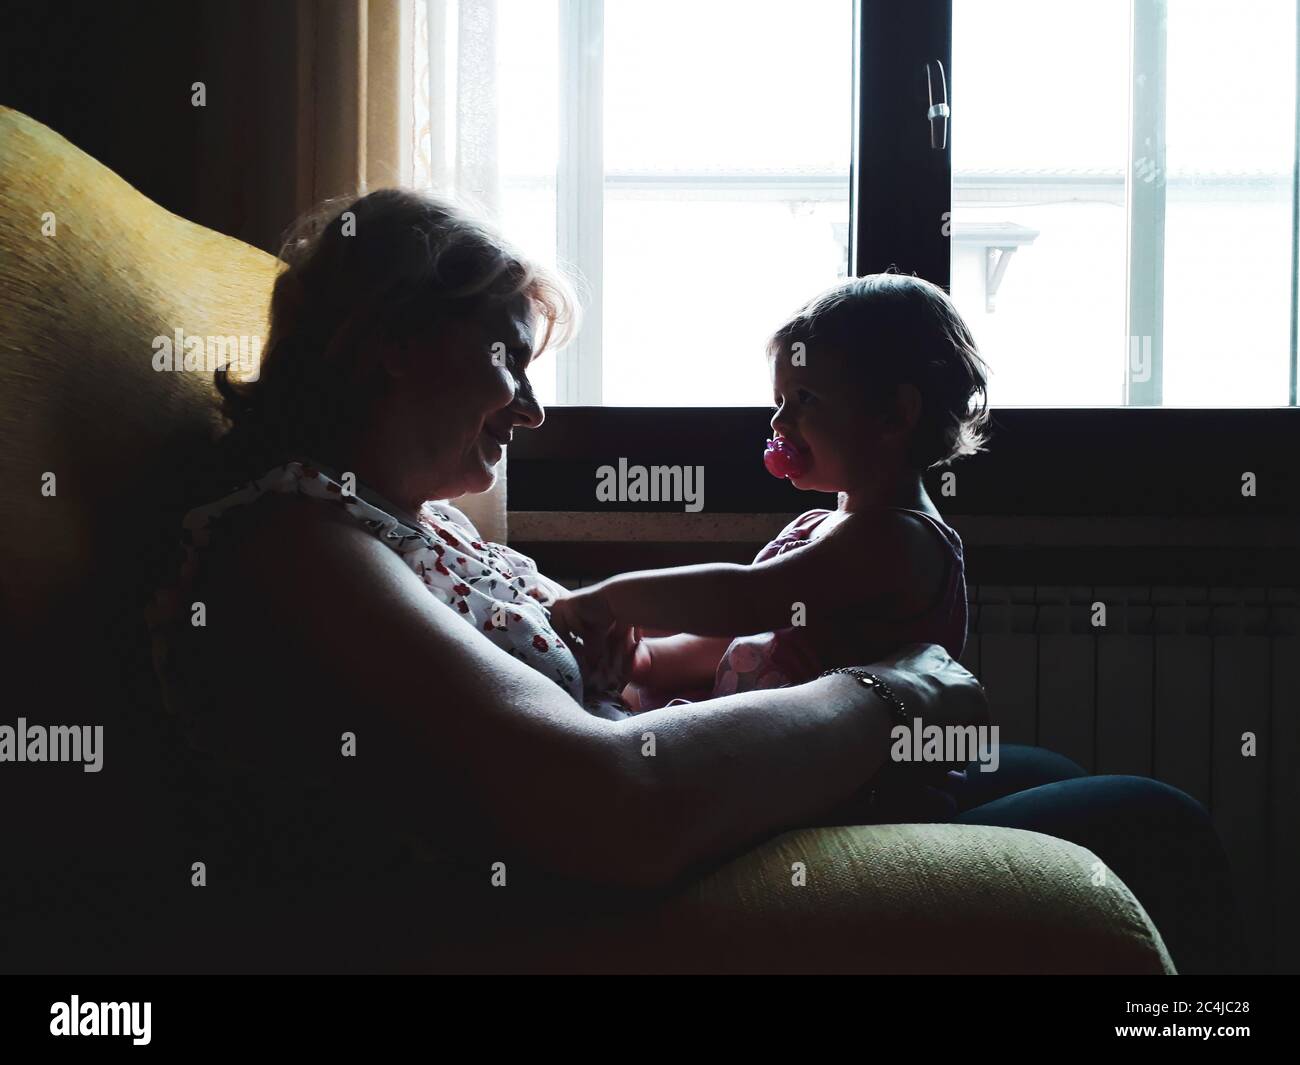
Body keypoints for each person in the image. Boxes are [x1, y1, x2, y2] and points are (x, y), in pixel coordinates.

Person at [147, 188, 1242, 974]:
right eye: (507, 356)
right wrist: (895, 691)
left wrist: (631, 661)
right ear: (392, 341)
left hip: (680, 801)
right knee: (1150, 824)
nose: (529, 408)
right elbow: (601, 800)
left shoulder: (419, 532)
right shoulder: (296, 544)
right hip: (584, 890)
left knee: (1053, 773)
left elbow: (591, 682)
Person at [551, 274, 986, 713]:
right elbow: (730, 639)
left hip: (858, 777)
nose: (779, 421)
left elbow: (744, 599)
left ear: (894, 413)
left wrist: (611, 600)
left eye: (804, 398)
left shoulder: (897, 539)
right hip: (783, 759)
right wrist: (645, 661)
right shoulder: (816, 526)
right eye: (779, 400)